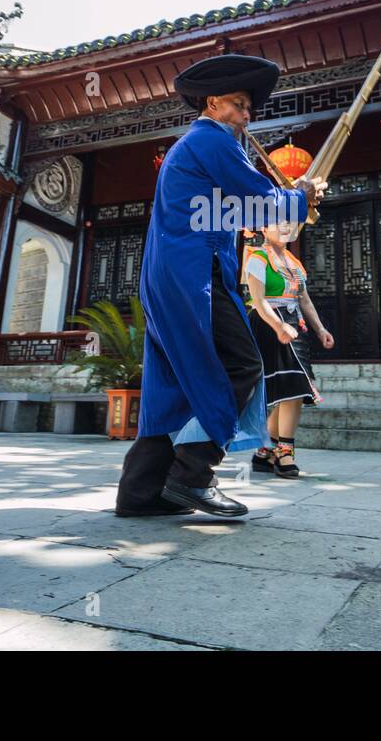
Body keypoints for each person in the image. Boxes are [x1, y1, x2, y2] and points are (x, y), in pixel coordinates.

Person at [114, 54, 326, 517]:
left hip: (175, 273)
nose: (247, 115)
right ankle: (193, 475)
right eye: (239, 104)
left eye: (250, 107)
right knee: (242, 364)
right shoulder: (211, 140)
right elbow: (262, 199)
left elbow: (248, 214)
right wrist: (300, 196)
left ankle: (141, 493)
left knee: (175, 384)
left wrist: (295, 202)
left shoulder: (200, 147)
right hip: (194, 275)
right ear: (213, 103)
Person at [244, 222, 334, 478]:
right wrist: (278, 324)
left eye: (289, 223)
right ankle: (284, 453)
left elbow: (304, 299)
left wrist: (320, 329)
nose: (285, 228)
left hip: (295, 325)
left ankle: (265, 452)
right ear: (262, 228)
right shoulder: (257, 258)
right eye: (277, 223)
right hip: (269, 324)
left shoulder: (293, 262)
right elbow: (259, 301)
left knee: (292, 390)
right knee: (292, 388)